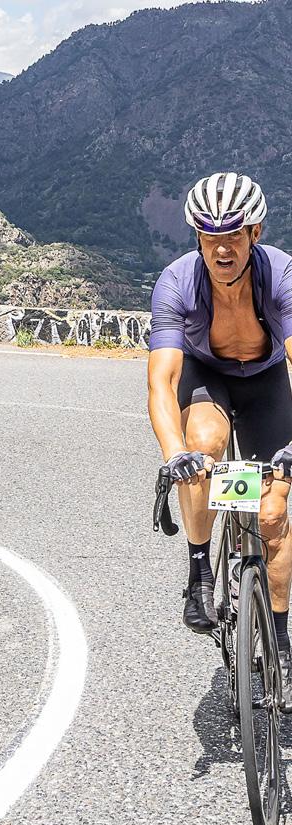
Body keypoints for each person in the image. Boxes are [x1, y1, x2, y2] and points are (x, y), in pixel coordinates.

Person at [147, 171, 292, 703]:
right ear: (198, 237)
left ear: (255, 233)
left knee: (272, 515)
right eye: (211, 236)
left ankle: (280, 639)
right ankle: (199, 572)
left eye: (233, 235)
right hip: (208, 378)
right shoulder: (177, 282)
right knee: (203, 445)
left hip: (266, 382)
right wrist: (174, 454)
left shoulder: (281, 276)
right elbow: (162, 381)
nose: (222, 248)